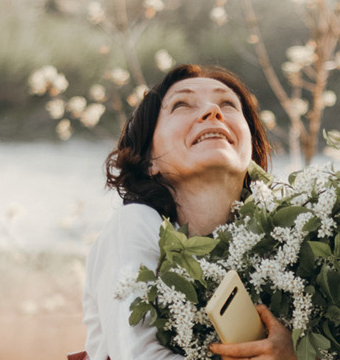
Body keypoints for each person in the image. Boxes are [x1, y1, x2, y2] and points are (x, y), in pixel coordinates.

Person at [80, 64, 297, 360]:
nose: (212, 111)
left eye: (228, 104)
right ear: (148, 160)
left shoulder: (286, 244)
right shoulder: (135, 223)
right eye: (181, 104)